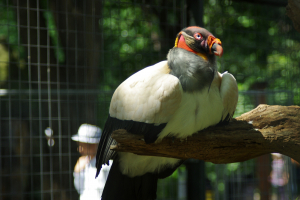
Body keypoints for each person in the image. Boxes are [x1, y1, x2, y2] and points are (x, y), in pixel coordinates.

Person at [71, 124, 112, 200]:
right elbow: (80, 189)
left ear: (94, 145)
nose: (79, 149)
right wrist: (77, 172)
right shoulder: (84, 162)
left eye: (83, 145)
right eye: (79, 145)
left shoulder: (107, 164)